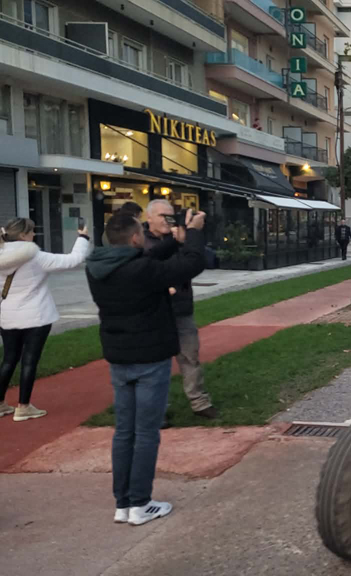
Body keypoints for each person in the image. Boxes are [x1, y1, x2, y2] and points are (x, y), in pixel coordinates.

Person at [86, 209, 206, 526]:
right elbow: (192, 264)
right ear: (135, 238)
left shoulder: (97, 266)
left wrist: (172, 240)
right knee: (146, 433)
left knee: (124, 432)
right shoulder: (140, 270)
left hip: (119, 357)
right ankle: (140, 503)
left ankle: (123, 503)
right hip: (150, 358)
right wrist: (194, 232)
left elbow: (148, 260)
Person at [0, 218, 92, 421]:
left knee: (9, 359)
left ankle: (0, 404)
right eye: (31, 231)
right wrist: (83, 238)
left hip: (7, 314)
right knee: (29, 361)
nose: (34, 234)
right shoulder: (36, 257)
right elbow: (73, 260)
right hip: (36, 315)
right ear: (23, 235)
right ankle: (23, 407)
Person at [143, 200, 216, 419]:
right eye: (162, 216)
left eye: (171, 216)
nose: (168, 220)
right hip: (154, 310)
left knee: (190, 355)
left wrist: (190, 237)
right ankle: (159, 408)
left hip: (181, 306)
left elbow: (203, 260)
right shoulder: (141, 241)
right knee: (155, 362)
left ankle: (199, 401)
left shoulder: (181, 237)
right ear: (149, 218)